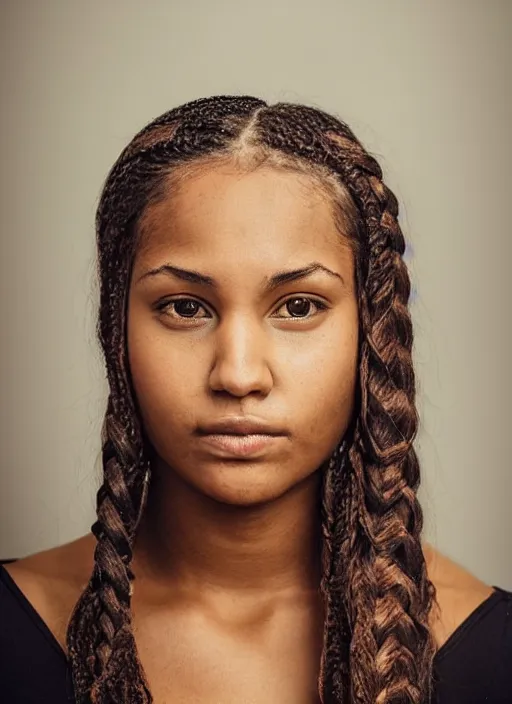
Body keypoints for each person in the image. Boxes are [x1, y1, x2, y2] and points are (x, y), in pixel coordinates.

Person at [0, 95, 510, 704]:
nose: (239, 375)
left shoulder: (491, 656)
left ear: (372, 332)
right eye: (185, 307)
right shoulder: (15, 631)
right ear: (117, 329)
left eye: (298, 306)